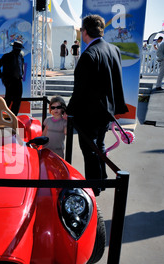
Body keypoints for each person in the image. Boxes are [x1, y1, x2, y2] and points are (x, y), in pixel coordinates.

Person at [66, 15, 128, 196]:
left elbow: (79, 90)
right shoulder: (114, 49)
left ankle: (94, 187)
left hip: (89, 114)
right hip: (107, 111)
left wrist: (68, 112)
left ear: (84, 32)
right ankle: (101, 180)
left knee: (90, 150)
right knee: (99, 146)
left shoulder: (88, 55)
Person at [0, 40, 25, 116]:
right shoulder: (7, 56)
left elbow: (21, 67)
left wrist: (21, 75)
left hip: (18, 81)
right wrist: (1, 77)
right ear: (13, 48)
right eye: (16, 48)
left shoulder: (21, 56)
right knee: (8, 100)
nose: (18, 50)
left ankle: (13, 116)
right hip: (10, 81)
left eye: (19, 49)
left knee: (17, 100)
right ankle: (2, 116)